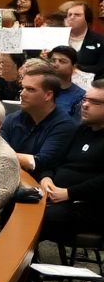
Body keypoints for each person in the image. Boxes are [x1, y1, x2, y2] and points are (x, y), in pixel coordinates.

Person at [38, 79, 104, 249]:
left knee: (32, 218)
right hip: (56, 197)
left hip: (87, 207)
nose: (86, 105)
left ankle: (21, 269)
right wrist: (46, 179)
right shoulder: (80, 129)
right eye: (85, 99)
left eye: (95, 102)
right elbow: (53, 160)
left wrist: (69, 193)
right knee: (13, 206)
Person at [1, 71, 77, 174]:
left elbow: (42, 161)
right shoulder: (13, 118)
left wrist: (4, 155)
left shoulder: (64, 125)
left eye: (30, 89)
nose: (22, 94)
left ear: (48, 95)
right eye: (22, 88)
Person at [63, 0, 104, 73]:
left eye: (77, 15)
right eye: (69, 15)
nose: (71, 17)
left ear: (87, 19)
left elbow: (101, 68)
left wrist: (78, 68)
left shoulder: (100, 41)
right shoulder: (56, 37)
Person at [45, 46, 86, 117]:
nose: (55, 64)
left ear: (73, 67)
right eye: (53, 60)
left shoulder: (80, 95)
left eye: (62, 61)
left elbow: (76, 125)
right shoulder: (40, 88)